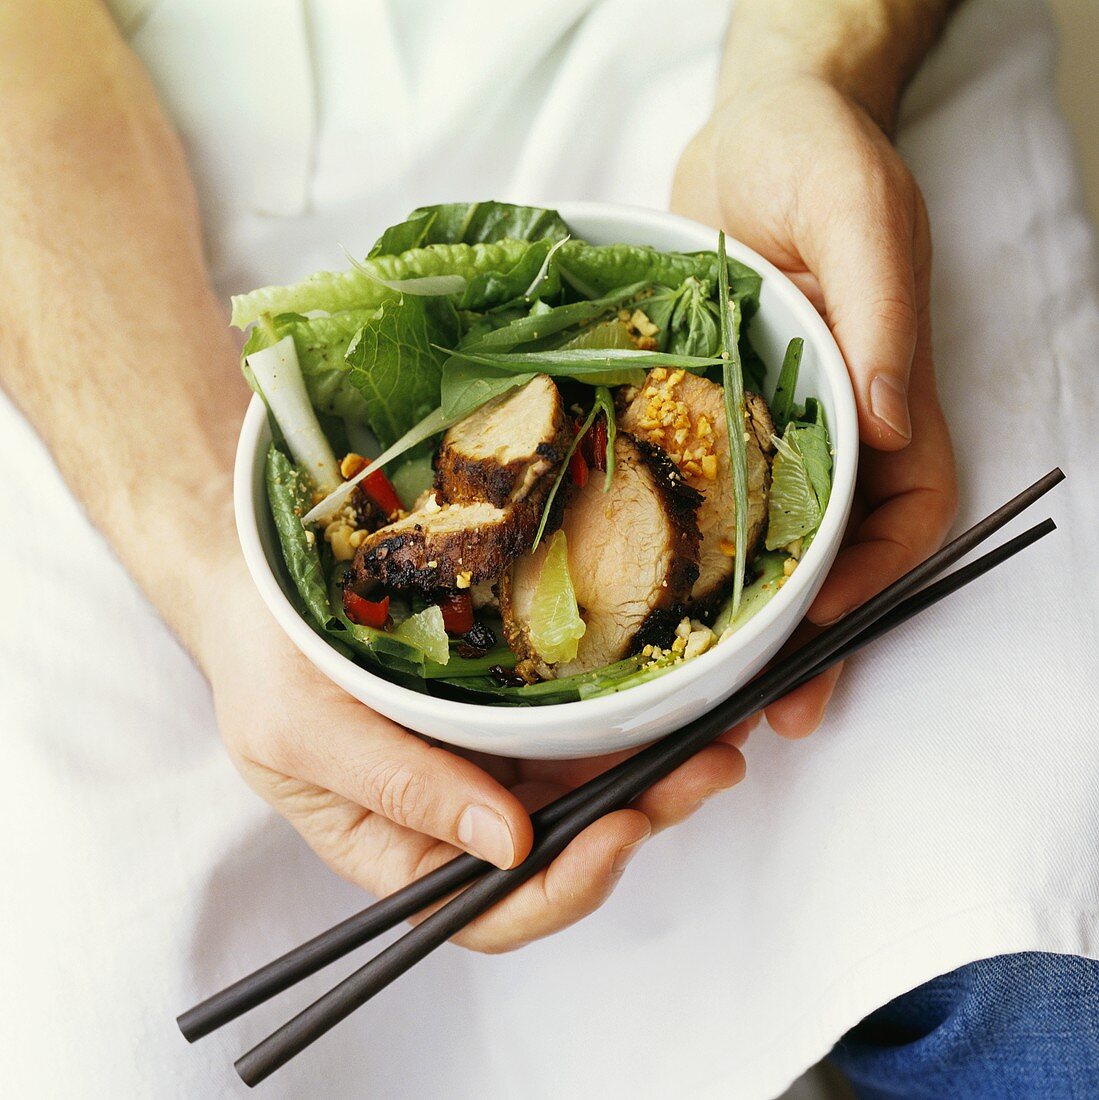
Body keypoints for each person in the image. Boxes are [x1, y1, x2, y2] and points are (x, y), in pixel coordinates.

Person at [1, 1, 1096, 1097]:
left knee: (1035, 950)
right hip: (125, 257)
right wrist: (211, 551)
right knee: (114, 1053)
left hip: (755, 103)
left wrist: (809, 78)